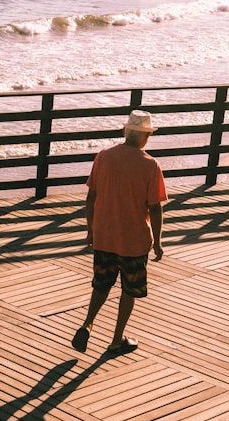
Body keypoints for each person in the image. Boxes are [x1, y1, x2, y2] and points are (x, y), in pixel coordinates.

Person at [71, 109, 167, 356]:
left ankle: (87, 324)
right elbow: (154, 208)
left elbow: (91, 196)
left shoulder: (103, 157)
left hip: (104, 235)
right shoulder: (150, 165)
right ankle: (116, 339)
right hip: (133, 241)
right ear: (145, 137)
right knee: (129, 290)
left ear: (126, 132)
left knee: (101, 285)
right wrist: (157, 242)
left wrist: (90, 230)